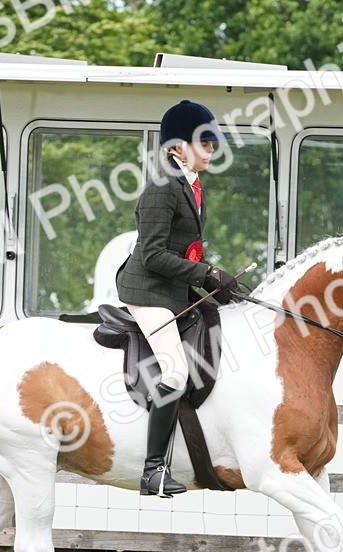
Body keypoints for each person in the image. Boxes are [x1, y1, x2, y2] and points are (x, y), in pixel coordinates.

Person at [116, 99, 241, 498]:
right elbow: (152, 255)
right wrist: (206, 274)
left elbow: (183, 250)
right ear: (176, 147)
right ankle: (153, 470)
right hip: (148, 291)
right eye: (204, 142)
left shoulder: (191, 186)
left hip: (174, 288)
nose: (211, 150)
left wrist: (220, 284)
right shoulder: (162, 187)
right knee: (174, 372)